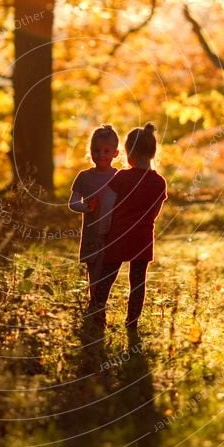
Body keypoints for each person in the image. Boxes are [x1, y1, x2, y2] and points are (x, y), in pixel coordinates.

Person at [90, 122, 167, 331]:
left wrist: (103, 230)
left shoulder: (121, 178)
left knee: (107, 275)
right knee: (138, 282)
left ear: (128, 153)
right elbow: (155, 212)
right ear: (152, 153)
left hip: (117, 236)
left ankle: (95, 313)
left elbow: (107, 205)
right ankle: (132, 322)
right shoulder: (159, 182)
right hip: (142, 237)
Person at [68, 124, 120, 305]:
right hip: (91, 232)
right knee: (94, 268)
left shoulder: (119, 177)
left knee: (109, 268)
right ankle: (95, 302)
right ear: (90, 151)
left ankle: (100, 301)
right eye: (96, 151)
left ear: (115, 153)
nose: (100, 155)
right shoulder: (84, 177)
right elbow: (72, 202)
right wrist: (86, 207)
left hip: (112, 232)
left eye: (106, 151)